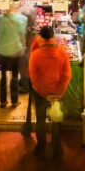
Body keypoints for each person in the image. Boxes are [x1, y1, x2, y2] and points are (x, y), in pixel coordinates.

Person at [29, 26, 71, 159]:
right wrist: (58, 92)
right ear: (53, 37)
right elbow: (66, 75)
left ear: (40, 37)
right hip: (57, 94)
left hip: (41, 94)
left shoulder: (35, 55)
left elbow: (33, 77)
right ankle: (56, 147)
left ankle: (41, 146)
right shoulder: (62, 53)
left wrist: (43, 93)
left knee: (40, 120)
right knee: (57, 120)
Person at [0, 5, 28, 108]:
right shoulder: (21, 19)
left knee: (3, 75)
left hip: (2, 51)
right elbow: (22, 36)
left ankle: (3, 101)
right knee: (14, 76)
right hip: (15, 51)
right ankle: (14, 101)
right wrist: (22, 47)